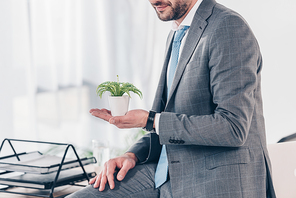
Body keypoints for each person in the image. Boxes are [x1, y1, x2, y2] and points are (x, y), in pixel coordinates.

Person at [67, 0, 276, 197]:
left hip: (215, 181)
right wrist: (132, 156)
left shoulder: (228, 27)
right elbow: (170, 125)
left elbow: (233, 127)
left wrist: (150, 120)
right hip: (166, 176)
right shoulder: (178, 34)